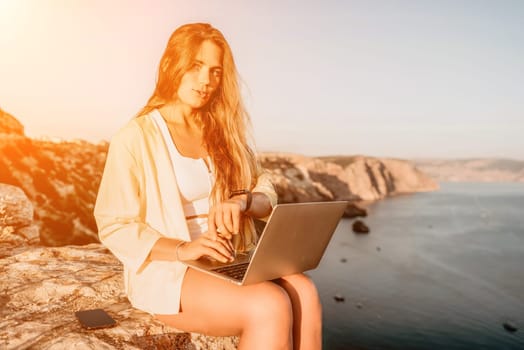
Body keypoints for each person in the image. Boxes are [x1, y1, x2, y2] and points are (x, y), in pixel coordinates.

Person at [94, 23, 321, 350]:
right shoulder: (136, 137)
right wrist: (183, 249)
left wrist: (243, 201)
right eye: (196, 66)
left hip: (229, 258)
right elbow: (114, 225)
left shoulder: (223, 132)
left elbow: (265, 188)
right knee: (270, 305)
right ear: (172, 64)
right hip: (172, 269)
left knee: (305, 292)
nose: (206, 81)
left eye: (215, 71)